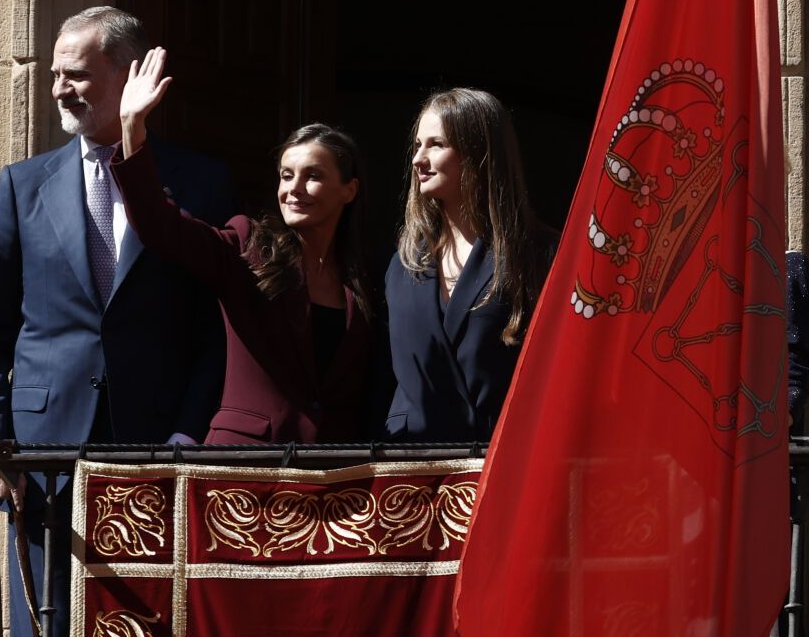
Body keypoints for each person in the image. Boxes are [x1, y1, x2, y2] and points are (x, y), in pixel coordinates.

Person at [0, 6, 231, 637]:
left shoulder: (198, 182)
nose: (59, 89)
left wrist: (189, 437)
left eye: (75, 74)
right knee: (45, 622)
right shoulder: (24, 186)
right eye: (55, 74)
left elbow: (214, 329)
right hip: (44, 457)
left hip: (157, 452)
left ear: (128, 75)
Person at [112, 45, 381, 443]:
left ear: (349, 190)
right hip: (247, 466)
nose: (294, 189)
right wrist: (132, 129)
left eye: (313, 176)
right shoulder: (249, 245)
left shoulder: (366, 274)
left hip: (335, 475)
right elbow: (161, 227)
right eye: (286, 175)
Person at [384, 87, 548, 441]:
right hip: (410, 468)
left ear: (479, 153)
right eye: (417, 145)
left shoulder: (538, 254)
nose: (418, 159)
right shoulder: (404, 263)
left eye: (436, 145)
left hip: (498, 458)